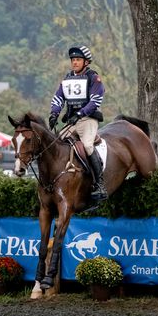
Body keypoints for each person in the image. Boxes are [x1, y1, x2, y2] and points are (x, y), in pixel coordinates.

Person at [48, 45, 106, 200]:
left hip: (88, 120)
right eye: (73, 59)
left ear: (86, 62)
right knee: (56, 143)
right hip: (72, 121)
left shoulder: (93, 77)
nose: (74, 62)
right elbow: (58, 98)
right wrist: (54, 113)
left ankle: (99, 182)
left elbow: (96, 100)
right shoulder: (67, 79)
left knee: (87, 145)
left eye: (78, 59)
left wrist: (80, 113)